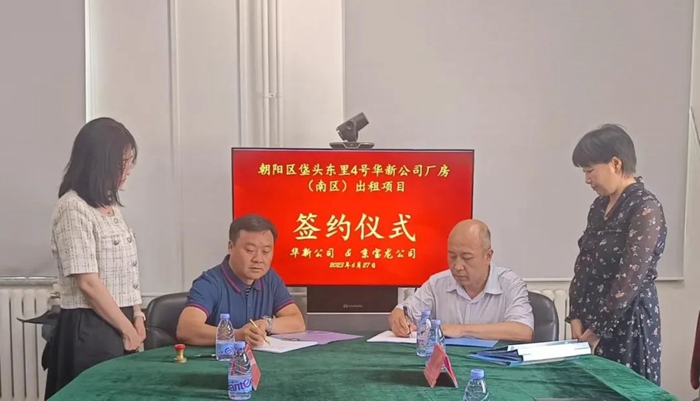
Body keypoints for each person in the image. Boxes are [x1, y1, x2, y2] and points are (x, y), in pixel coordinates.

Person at [44, 118, 144, 399]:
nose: (128, 170)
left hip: (120, 319)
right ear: (98, 163)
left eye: (130, 161)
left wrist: (137, 314)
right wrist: (126, 329)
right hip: (90, 326)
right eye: (121, 163)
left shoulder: (109, 206)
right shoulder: (72, 208)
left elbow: (127, 271)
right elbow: (88, 282)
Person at [567, 124, 666, 385]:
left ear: (615, 163)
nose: (587, 179)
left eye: (590, 170)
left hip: (627, 325)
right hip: (590, 323)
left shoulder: (645, 208)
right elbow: (584, 262)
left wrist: (598, 329)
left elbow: (630, 278)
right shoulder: (599, 206)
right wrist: (575, 314)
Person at [389, 219, 534, 342]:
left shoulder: (510, 284)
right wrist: (399, 317)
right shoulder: (437, 283)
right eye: (452, 256)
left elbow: (523, 331)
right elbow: (404, 312)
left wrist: (461, 330)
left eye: (467, 258)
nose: (457, 266)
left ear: (488, 257)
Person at [176, 214, 305, 347]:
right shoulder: (209, 283)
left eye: (266, 251)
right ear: (231, 247)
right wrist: (236, 335)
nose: (258, 259)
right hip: (218, 358)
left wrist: (266, 324)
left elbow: (297, 321)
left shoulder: (270, 278)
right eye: (250, 250)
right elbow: (186, 329)